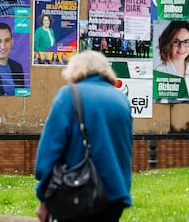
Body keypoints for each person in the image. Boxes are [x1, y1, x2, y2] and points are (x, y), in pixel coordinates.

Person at [34, 50, 133, 222]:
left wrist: (43, 196)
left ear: (75, 70)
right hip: (116, 194)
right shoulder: (121, 99)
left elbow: (49, 151)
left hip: (79, 191)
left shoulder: (68, 95)